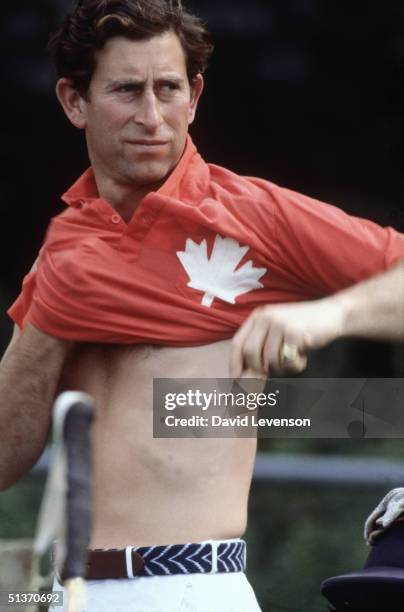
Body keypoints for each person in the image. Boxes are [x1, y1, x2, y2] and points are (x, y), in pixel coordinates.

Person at [0, 1, 403, 610]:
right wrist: (48, 326)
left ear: (195, 96)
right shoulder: (64, 248)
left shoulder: (250, 214)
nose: (152, 116)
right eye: (127, 91)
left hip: (191, 586)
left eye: (168, 89)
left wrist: (327, 316)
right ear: (74, 101)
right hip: (65, 591)